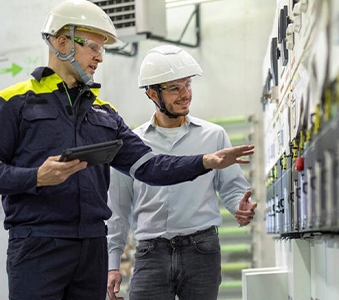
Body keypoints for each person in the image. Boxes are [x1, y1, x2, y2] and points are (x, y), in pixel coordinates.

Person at [0, 1, 254, 299]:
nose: (99, 57)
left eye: (102, 49)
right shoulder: (13, 102)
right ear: (62, 42)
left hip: (91, 246)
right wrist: (36, 177)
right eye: (93, 47)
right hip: (38, 244)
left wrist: (207, 160)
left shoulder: (104, 113)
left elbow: (150, 168)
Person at [105, 45, 258, 300]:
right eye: (175, 88)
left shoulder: (214, 135)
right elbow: (118, 209)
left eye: (188, 84)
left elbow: (232, 188)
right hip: (150, 253)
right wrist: (112, 263)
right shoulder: (131, 145)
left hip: (202, 251)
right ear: (153, 94)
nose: (185, 94)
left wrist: (240, 207)